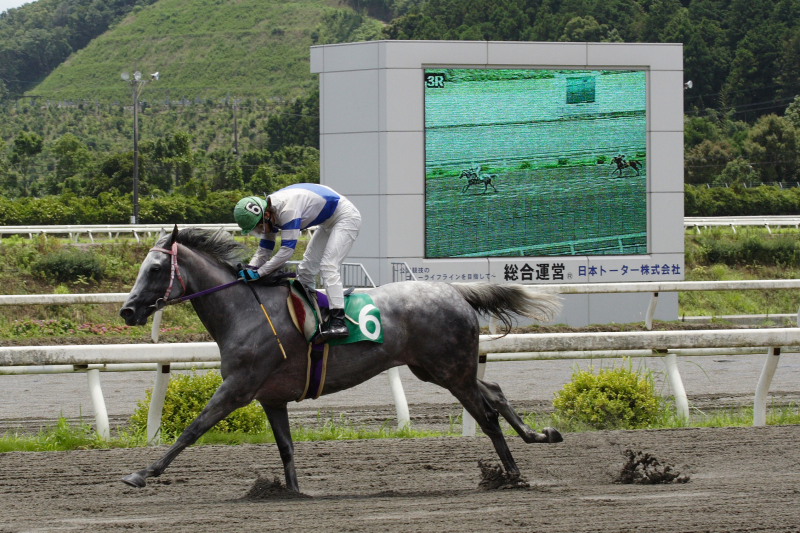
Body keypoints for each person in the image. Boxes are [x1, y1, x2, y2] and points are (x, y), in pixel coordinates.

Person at [233, 183, 361, 342]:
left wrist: (259, 272)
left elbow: (287, 251)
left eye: (259, 227)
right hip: (327, 221)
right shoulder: (269, 212)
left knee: (328, 266)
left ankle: (339, 322)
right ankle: (316, 313)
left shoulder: (288, 210)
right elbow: (265, 250)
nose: (259, 232)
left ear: (266, 215)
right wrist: (250, 268)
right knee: (306, 269)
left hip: (345, 217)